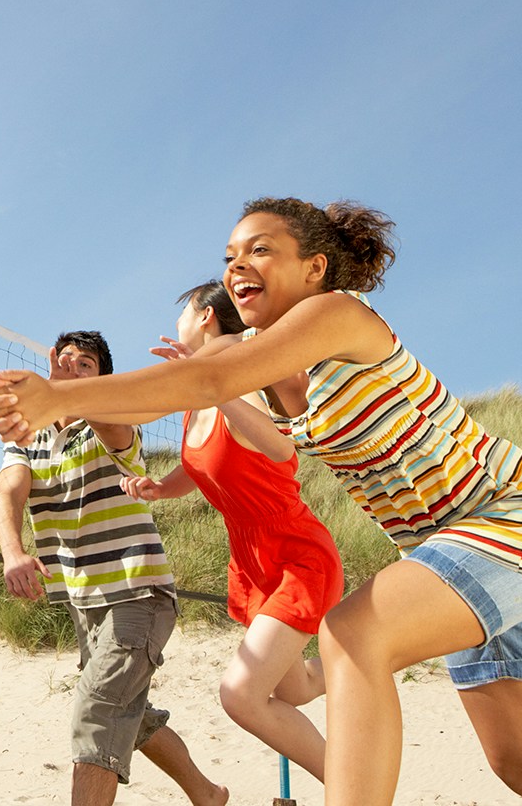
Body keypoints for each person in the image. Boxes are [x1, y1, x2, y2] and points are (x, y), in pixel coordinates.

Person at [0, 198, 522, 806]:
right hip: (443, 556)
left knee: (353, 635)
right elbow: (174, 396)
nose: (235, 266)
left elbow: (206, 381)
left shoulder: (336, 313)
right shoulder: (243, 355)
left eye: (260, 249)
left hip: (509, 520)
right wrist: (64, 401)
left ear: (314, 267)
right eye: (229, 254)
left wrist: (61, 397)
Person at [0, 330, 229, 806]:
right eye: (68, 361)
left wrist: (68, 392)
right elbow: (10, 492)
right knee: (131, 714)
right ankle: (208, 794)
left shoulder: (111, 422)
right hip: (84, 603)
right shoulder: (29, 436)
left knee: (96, 713)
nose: (75, 369)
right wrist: (12, 552)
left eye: (87, 366)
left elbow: (113, 425)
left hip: (136, 594)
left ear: (102, 380)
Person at [119, 279, 340, 782]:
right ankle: (367, 656)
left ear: (204, 317)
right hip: (251, 561)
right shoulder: (201, 395)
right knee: (297, 689)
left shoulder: (238, 376)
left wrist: (216, 387)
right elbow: (205, 467)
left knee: (241, 694)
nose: (175, 321)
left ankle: (352, 788)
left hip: (295, 553)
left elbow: (284, 451)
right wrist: (160, 487)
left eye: (182, 311)